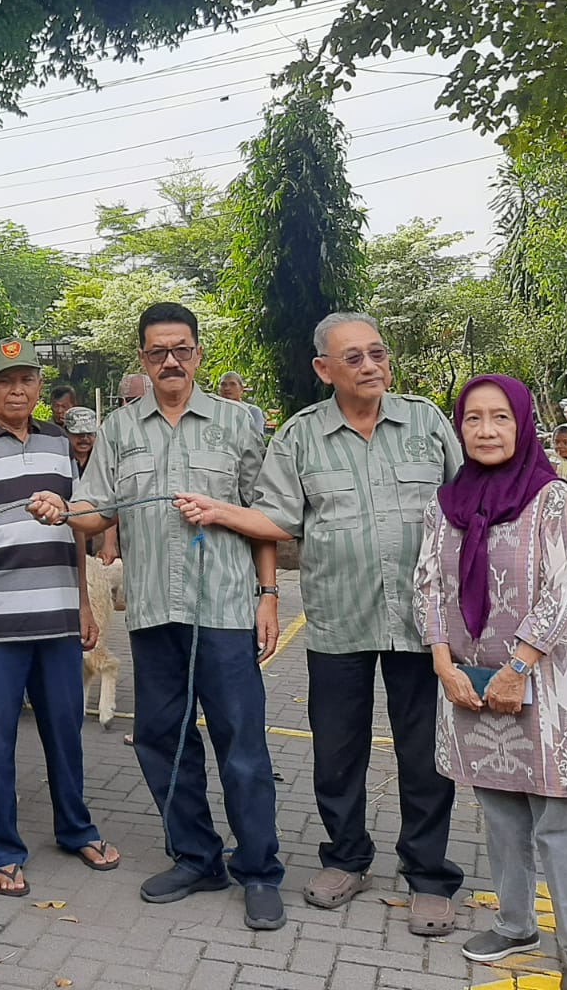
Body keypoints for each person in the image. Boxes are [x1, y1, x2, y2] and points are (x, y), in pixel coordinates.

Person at [179, 311, 465, 935]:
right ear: (323, 369)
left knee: (423, 754)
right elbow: (278, 519)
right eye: (354, 358)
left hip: (424, 623)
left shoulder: (425, 422)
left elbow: (469, 503)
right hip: (338, 619)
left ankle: (428, 875)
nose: (370, 366)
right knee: (338, 752)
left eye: (377, 354)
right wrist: (222, 511)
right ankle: (346, 858)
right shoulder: (303, 436)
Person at [39, 303, 286, 930]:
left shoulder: (237, 424)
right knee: (161, 739)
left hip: (226, 609)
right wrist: (62, 510)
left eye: (180, 349)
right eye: (156, 352)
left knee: (242, 745)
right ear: (143, 360)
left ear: (198, 353)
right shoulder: (121, 432)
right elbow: (97, 511)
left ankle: (258, 869)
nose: (170, 361)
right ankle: (197, 856)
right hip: (153, 611)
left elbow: (269, 518)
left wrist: (268, 594)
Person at [415, 375, 567, 990]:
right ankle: (514, 924)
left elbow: (565, 589)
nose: (485, 430)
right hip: (471, 683)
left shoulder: (550, 497)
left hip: (547, 682)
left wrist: (520, 664)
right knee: (499, 811)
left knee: (559, 819)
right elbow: (427, 585)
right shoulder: (445, 502)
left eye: (499, 417)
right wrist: (443, 663)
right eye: (473, 419)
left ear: (522, 422)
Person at [0, 338, 119, 897]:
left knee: (65, 731)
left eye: (27, 380)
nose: (18, 390)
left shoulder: (59, 443)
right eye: (5, 381)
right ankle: (1, 849)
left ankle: (75, 828)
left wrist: (85, 603)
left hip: (58, 616)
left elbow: (79, 525)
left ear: (39, 387)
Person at [217, 370, 268, 434]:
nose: (227, 388)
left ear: (241, 389)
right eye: (223, 384)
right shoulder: (214, 411)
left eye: (232, 384)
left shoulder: (253, 411)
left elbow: (257, 440)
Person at [64, 405, 99, 475]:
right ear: (67, 433)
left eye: (89, 434)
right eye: (79, 434)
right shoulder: (60, 459)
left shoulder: (102, 460)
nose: (84, 438)